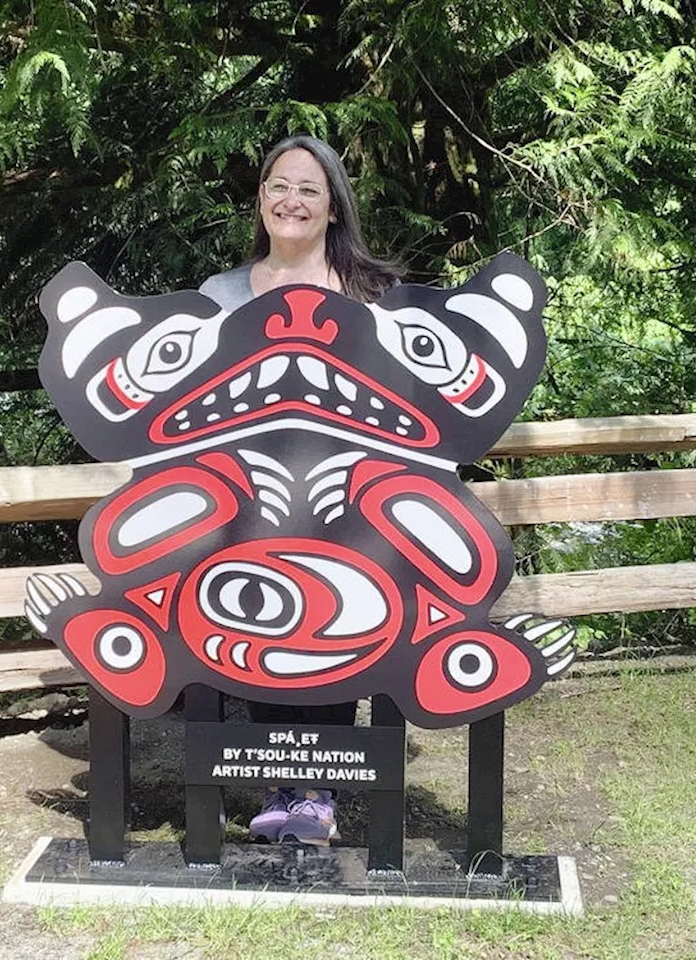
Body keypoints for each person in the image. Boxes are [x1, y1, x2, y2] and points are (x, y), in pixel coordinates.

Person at [198, 135, 401, 845]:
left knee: (339, 631)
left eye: (309, 189)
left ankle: (318, 791)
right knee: (253, 627)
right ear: (260, 200)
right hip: (245, 503)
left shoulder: (371, 297)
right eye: (279, 186)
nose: (292, 200)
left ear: (333, 206)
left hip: (346, 503)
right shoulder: (217, 295)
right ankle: (280, 781)